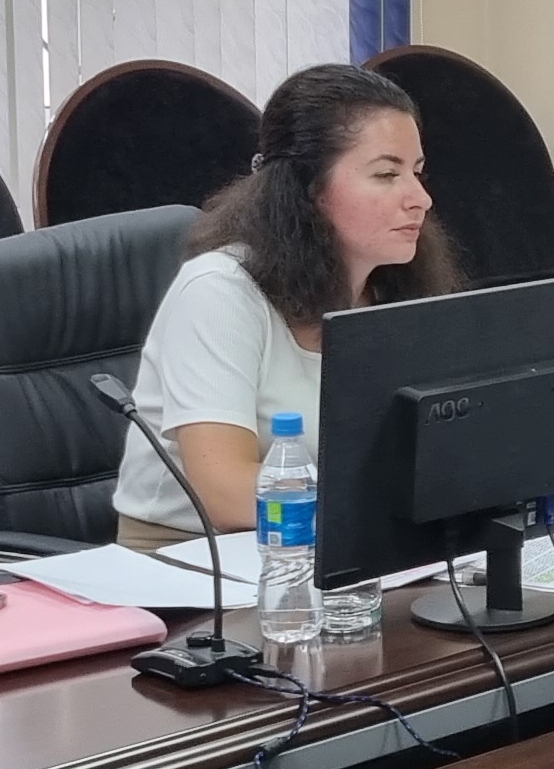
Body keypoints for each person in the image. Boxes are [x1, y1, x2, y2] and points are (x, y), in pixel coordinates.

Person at [111, 63, 463, 542]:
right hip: (192, 554)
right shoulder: (220, 291)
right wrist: (394, 496)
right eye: (386, 174)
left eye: (417, 173)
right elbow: (226, 493)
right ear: (308, 189)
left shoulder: (395, 293)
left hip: (340, 541)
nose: (420, 198)